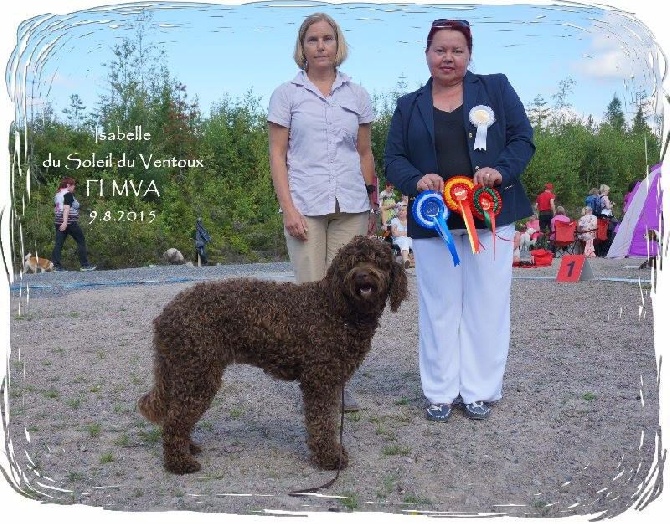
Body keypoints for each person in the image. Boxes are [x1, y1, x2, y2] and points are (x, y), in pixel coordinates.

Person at [384, 18, 535, 422]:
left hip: (490, 216)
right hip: (433, 222)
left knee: (487, 304)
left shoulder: (496, 89)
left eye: (457, 50)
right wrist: (417, 181)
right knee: (439, 308)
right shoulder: (407, 105)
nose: (448, 58)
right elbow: (393, 159)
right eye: (440, 50)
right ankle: (439, 391)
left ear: (470, 54)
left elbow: (523, 139)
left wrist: (500, 171)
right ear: (427, 53)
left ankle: (480, 390)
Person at [267, 12, 376, 412]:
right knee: (312, 304)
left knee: (348, 298)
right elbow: (277, 157)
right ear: (302, 47)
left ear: (337, 44)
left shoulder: (357, 95)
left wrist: (373, 202)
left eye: (327, 39)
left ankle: (337, 383)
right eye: (312, 40)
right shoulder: (287, 94)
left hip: (351, 206)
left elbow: (364, 153)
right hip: (306, 208)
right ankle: (317, 388)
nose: (321, 46)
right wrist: (288, 209)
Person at [51, 177, 96, 272]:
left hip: (58, 222)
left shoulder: (57, 195)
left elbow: (56, 209)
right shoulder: (68, 194)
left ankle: (56, 266)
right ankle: (84, 265)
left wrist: (61, 221)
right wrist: (65, 222)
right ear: (68, 185)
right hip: (69, 222)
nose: (74, 187)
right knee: (81, 240)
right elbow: (66, 208)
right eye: (73, 185)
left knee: (58, 244)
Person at [390, 201, 413, 268]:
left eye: (403, 210)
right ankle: (406, 260)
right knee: (404, 241)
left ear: (407, 212)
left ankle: (413, 260)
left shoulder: (410, 221)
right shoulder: (395, 220)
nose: (401, 212)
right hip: (398, 240)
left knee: (416, 243)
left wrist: (400, 233)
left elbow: (412, 233)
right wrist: (407, 233)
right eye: (399, 210)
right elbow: (394, 233)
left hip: (410, 239)